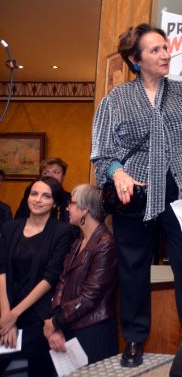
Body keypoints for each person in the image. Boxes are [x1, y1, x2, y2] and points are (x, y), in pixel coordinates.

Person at [91, 23, 182, 367]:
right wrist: (118, 173)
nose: (165, 54)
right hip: (136, 193)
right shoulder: (116, 99)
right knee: (133, 268)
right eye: (155, 49)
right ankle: (133, 340)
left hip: (181, 192)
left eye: (165, 47)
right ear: (135, 59)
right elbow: (102, 150)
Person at [0, 177, 75, 376]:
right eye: (34, 194)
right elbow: (2, 271)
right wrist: (6, 316)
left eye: (46, 196)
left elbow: (50, 278)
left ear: (55, 202)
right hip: (5, 307)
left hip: (38, 313)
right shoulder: (9, 228)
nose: (38, 200)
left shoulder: (63, 232)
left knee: (39, 365)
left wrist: (14, 315)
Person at [43, 184, 118, 364]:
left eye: (72, 203)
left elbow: (90, 296)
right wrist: (56, 322)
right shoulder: (79, 241)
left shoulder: (106, 244)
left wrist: (56, 322)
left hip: (93, 330)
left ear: (84, 209)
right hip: (70, 325)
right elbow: (62, 281)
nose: (67, 207)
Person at [14, 157, 71, 222]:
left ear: (63, 176)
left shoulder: (70, 199)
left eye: (56, 172)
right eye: (46, 173)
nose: (50, 176)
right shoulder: (31, 196)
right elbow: (19, 221)